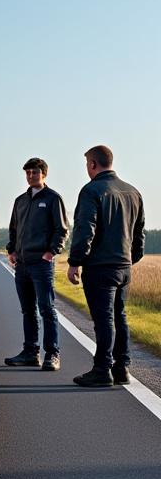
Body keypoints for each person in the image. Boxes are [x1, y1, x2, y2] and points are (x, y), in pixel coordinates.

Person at [67, 145, 146, 388]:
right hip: (123, 266)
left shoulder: (92, 190)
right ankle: (121, 368)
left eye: (87, 164)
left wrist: (75, 262)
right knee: (119, 316)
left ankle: (102, 368)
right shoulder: (133, 192)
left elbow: (85, 229)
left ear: (93, 164)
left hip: (100, 266)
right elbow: (138, 234)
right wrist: (130, 259)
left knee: (104, 319)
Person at [4, 158, 69, 371]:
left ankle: (52, 354)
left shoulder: (52, 199)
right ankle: (31, 352)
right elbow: (13, 229)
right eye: (28, 172)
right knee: (27, 311)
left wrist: (51, 252)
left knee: (47, 309)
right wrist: (11, 250)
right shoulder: (20, 200)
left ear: (44, 174)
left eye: (34, 172)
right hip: (22, 264)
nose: (31, 175)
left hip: (41, 264)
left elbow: (62, 229)